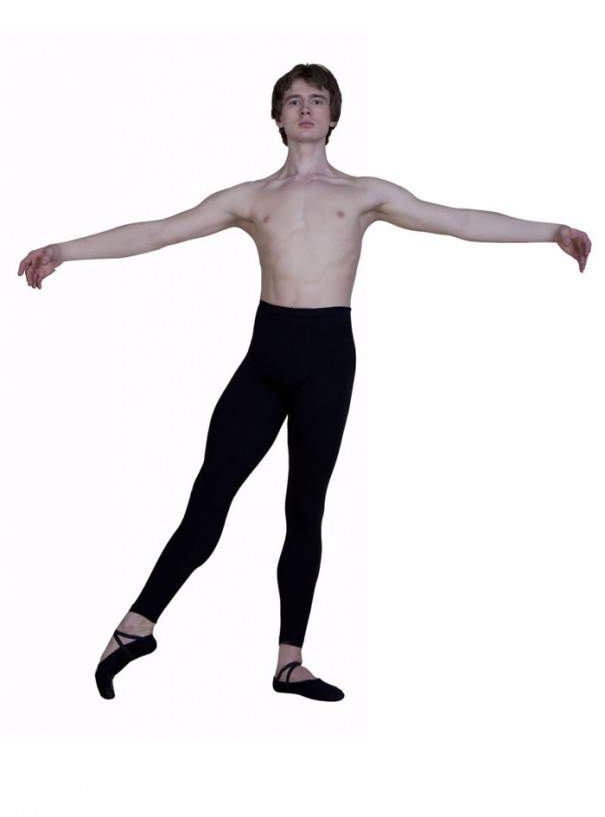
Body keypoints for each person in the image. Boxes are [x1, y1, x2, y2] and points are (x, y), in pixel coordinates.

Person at [17, 63, 592, 703]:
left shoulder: (364, 193)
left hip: (327, 361)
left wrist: (551, 233)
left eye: (317, 100)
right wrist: (63, 251)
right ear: (278, 117)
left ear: (334, 115)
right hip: (265, 359)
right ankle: (135, 628)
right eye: (293, 101)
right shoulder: (252, 198)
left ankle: (289, 662)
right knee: (209, 500)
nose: (306, 109)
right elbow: (157, 231)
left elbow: (457, 220)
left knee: (304, 508)